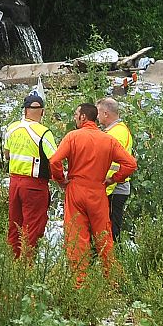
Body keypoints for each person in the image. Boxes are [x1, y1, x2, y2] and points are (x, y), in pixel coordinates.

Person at [49, 103, 137, 287]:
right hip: (98, 192)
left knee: (76, 236)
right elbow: (130, 164)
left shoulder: (73, 137)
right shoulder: (108, 140)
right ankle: (112, 280)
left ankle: (79, 283)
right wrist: (114, 179)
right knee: (104, 236)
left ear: (83, 117)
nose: (74, 117)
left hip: (76, 190)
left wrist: (61, 180)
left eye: (75, 114)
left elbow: (55, 161)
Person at [3, 93, 57, 259]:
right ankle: (26, 266)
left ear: (25, 110)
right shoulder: (43, 132)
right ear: (42, 112)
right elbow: (55, 159)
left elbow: (6, 155)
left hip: (14, 183)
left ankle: (13, 261)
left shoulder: (12, 128)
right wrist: (60, 180)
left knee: (15, 224)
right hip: (34, 185)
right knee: (32, 226)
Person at [96, 97, 133, 242]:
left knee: (111, 230)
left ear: (106, 113)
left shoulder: (115, 134)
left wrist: (104, 186)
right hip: (116, 186)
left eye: (98, 112)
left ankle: (112, 259)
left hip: (114, 187)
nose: (97, 116)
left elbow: (113, 165)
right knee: (111, 228)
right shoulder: (118, 130)